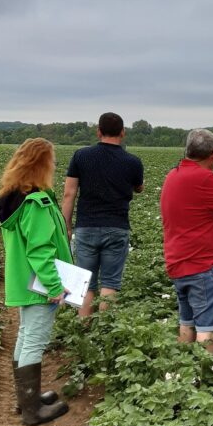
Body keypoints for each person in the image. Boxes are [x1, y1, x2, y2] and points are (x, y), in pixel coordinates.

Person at [0, 138, 70, 426]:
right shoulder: (37, 202)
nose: (53, 165)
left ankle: (27, 399)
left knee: (26, 334)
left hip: (22, 279)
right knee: (35, 339)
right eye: (51, 160)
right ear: (40, 164)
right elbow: (40, 250)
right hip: (39, 284)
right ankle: (32, 411)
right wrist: (54, 286)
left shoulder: (13, 197)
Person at [160, 129, 213, 353]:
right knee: (208, 328)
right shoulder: (204, 178)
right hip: (203, 267)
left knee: (187, 323)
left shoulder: (173, 175)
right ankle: (204, 379)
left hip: (178, 263)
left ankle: (184, 376)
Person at [62, 112, 144, 318]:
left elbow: (69, 193)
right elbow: (139, 188)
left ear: (98, 131)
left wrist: (67, 225)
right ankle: (104, 330)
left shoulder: (81, 156)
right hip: (117, 227)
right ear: (123, 132)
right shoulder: (133, 161)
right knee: (110, 282)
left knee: (86, 282)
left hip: (86, 226)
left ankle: (83, 327)